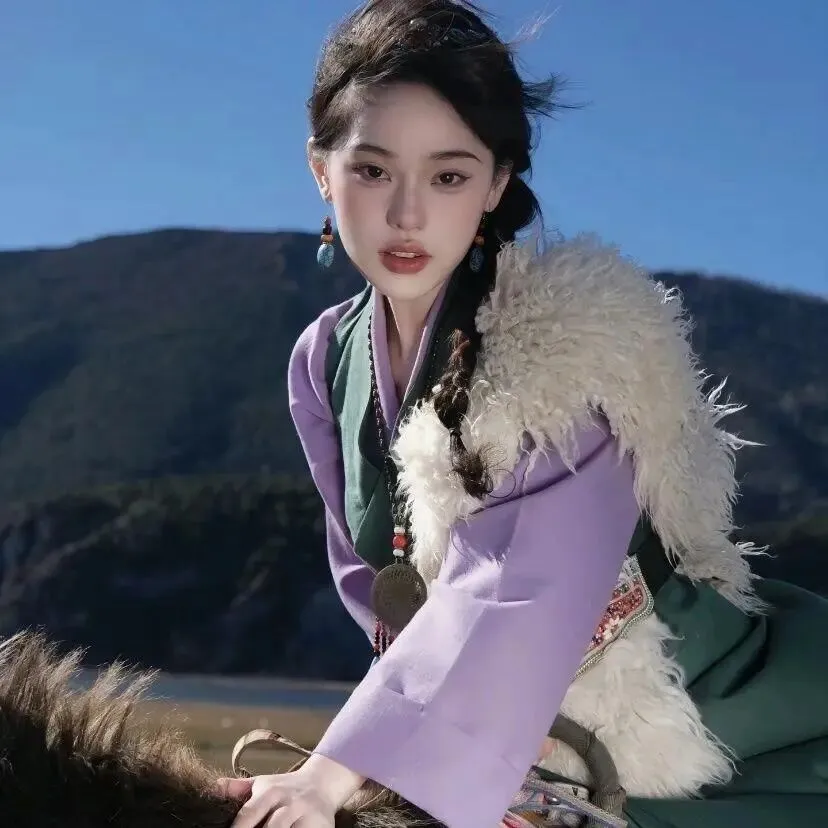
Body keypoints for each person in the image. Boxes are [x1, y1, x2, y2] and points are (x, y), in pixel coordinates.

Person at [228, 2, 828, 827]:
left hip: (678, 701)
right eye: (373, 171)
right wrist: (393, 741)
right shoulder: (323, 356)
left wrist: (337, 771)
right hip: (484, 715)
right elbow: (373, 583)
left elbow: (518, 585)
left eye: (448, 177)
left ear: (496, 184)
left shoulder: (565, 342)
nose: (407, 215)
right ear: (320, 170)